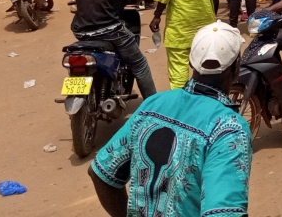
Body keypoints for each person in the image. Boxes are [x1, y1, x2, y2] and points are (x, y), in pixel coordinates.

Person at [89, 20, 252, 217]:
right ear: (236, 68)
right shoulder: (228, 128)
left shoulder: (153, 105)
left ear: (191, 61)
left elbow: (101, 173)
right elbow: (223, 213)